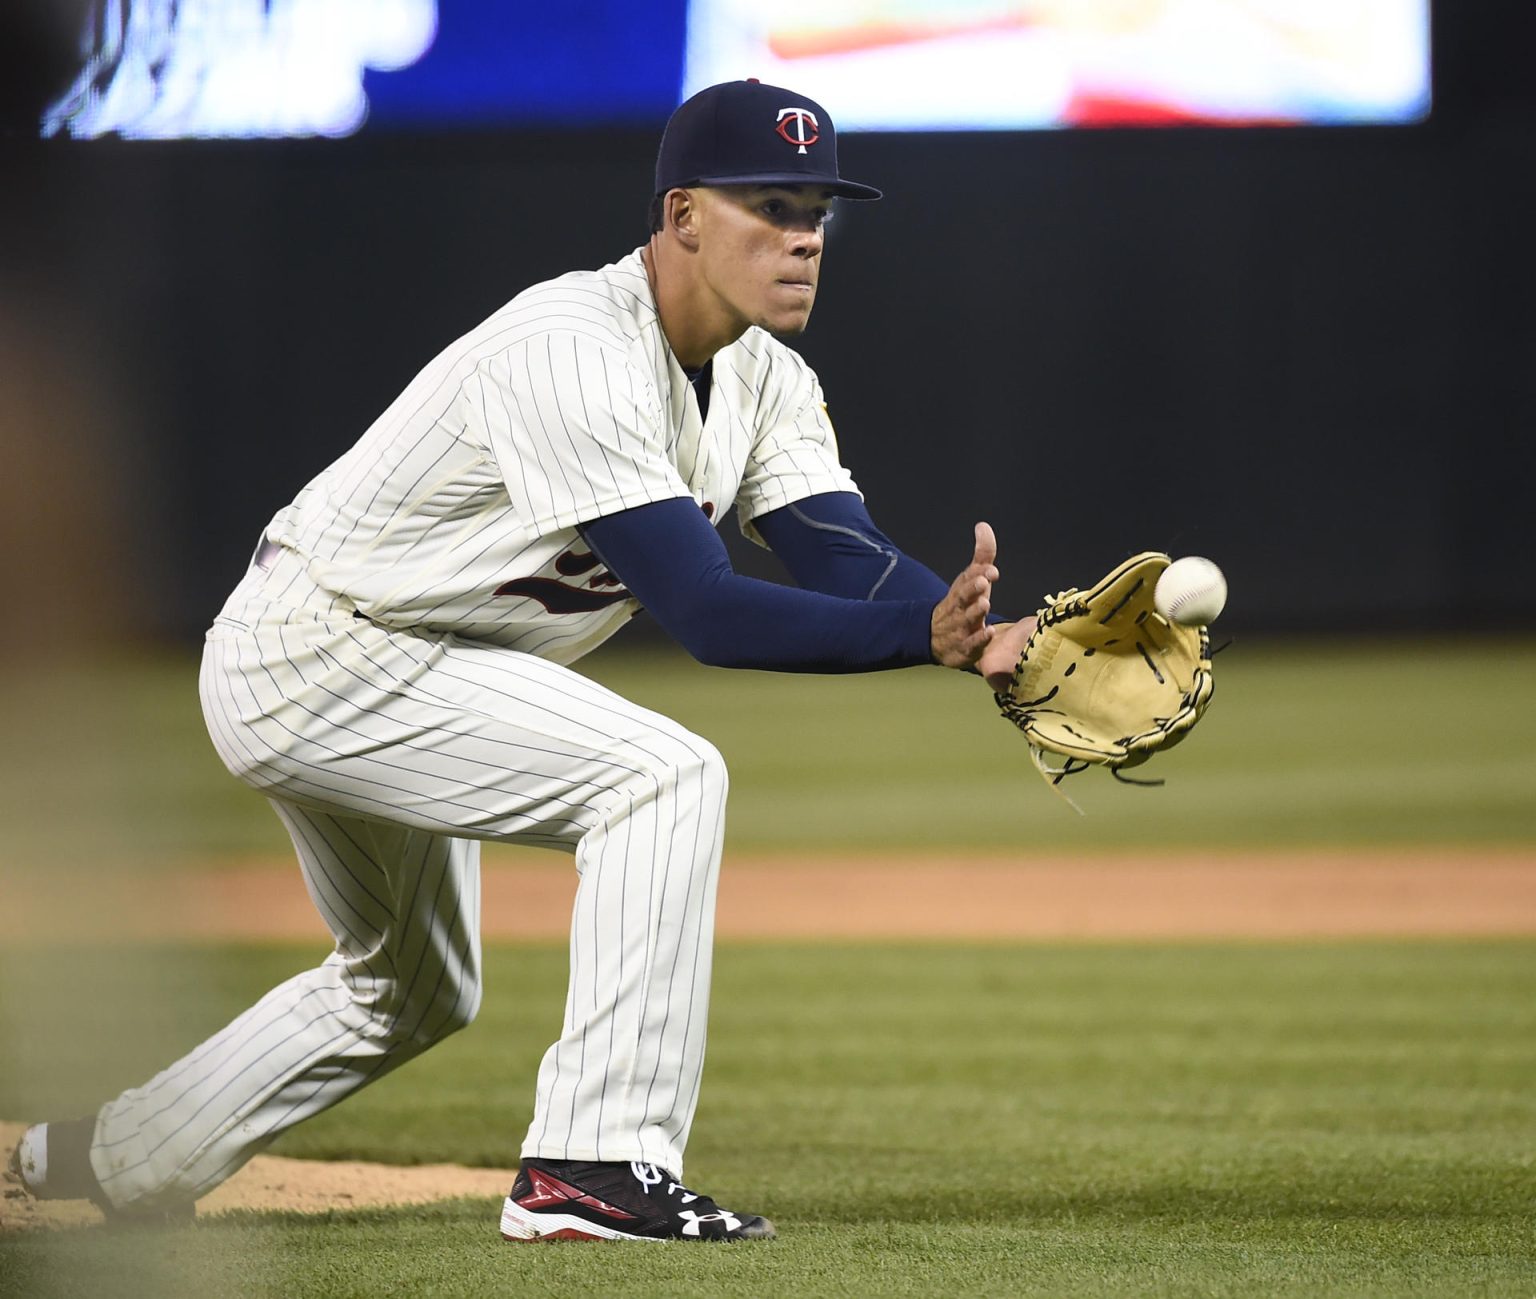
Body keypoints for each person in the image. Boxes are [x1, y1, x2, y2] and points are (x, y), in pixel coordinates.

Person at [5, 78, 1032, 1242]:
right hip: (319, 648)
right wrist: (922, 636)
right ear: (683, 215)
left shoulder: (765, 377)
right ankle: (591, 1168)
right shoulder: (573, 347)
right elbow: (706, 611)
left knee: (412, 987)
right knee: (661, 777)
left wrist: (998, 643)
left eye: (819, 210)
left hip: (413, 661)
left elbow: (846, 561)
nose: (804, 236)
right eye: (771, 204)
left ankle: (120, 1155)